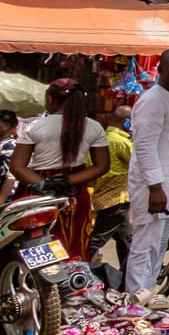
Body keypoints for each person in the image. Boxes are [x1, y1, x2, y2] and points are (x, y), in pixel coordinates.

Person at [9, 80, 110, 259]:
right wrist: (66, 181)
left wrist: (43, 184)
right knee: (74, 242)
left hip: (37, 191)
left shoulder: (36, 126)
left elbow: (17, 166)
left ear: (49, 99)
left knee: (31, 243)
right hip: (74, 192)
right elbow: (102, 165)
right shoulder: (94, 127)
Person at [125, 49, 169, 295]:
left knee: (159, 244)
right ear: (161, 69)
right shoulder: (153, 100)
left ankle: (147, 296)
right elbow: (144, 146)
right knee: (145, 244)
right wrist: (155, 187)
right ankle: (135, 300)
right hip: (155, 188)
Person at [88, 105, 134, 272]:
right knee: (97, 240)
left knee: (126, 239)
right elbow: (140, 165)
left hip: (103, 197)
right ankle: (85, 270)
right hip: (116, 199)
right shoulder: (121, 142)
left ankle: (127, 276)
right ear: (127, 123)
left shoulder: (100, 139)